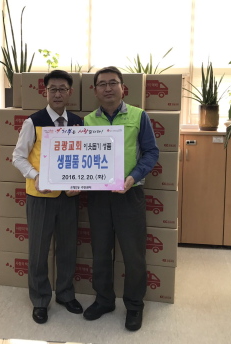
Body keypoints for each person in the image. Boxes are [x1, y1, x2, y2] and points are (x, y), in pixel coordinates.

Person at [83, 66, 159, 331]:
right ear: (95, 91)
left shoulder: (139, 116)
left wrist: (133, 176)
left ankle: (135, 306)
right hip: (98, 196)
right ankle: (104, 300)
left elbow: (151, 152)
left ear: (123, 88)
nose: (108, 88)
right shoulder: (88, 121)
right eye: (102, 84)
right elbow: (81, 158)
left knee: (133, 254)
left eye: (112, 83)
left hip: (130, 193)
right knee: (101, 251)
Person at [12, 69, 84, 324]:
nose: (57, 93)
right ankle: (40, 300)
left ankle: (65, 294)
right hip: (40, 196)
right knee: (39, 250)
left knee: (67, 248)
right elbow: (18, 157)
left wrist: (80, 183)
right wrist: (36, 176)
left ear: (70, 92)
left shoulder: (77, 123)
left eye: (62, 89)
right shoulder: (33, 122)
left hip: (69, 197)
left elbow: (82, 159)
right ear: (45, 92)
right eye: (53, 89)